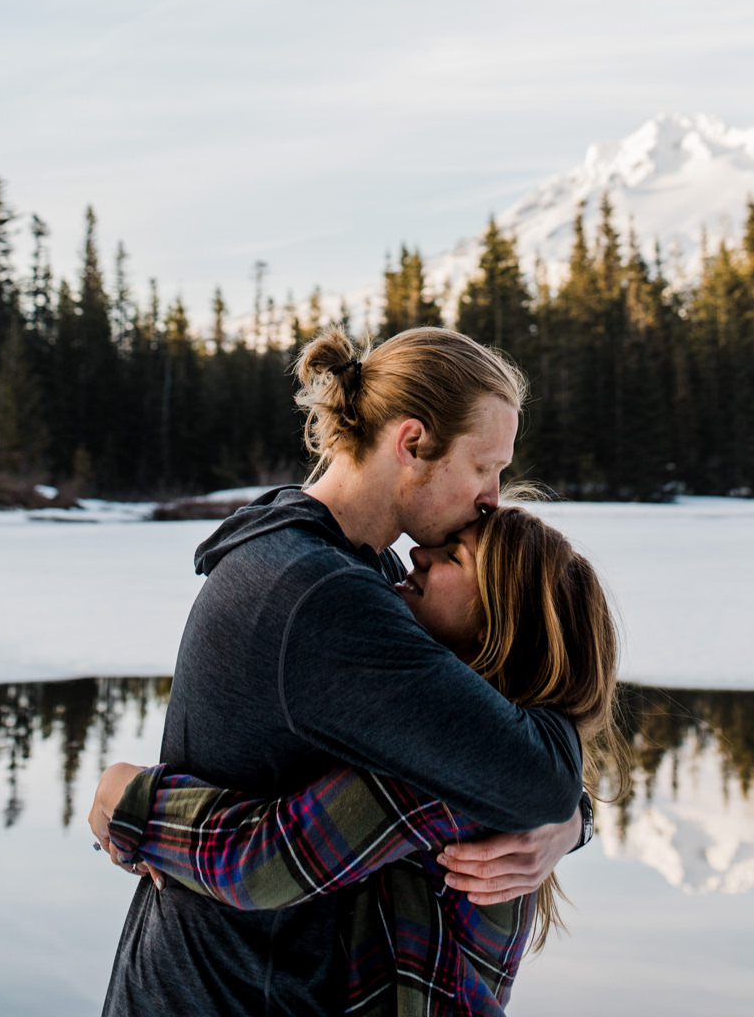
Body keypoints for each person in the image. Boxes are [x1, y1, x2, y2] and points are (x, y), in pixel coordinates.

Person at [95, 327, 590, 1017]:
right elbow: (530, 774)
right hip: (230, 995)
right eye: (485, 468)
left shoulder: (348, 563)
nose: (492, 498)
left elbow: (489, 751)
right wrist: (557, 804)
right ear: (411, 444)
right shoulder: (321, 595)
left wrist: (565, 820)